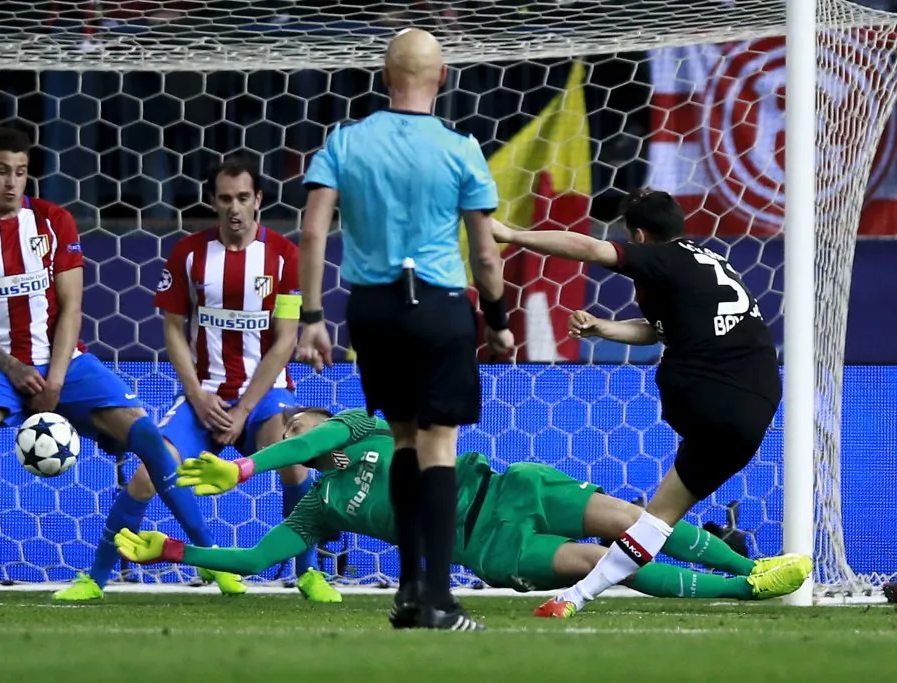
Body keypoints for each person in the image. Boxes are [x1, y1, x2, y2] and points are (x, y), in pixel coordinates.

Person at [0, 127, 212, 598]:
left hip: (66, 363)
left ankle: (213, 559)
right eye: (3, 171)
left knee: (148, 435)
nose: (12, 182)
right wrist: (11, 367)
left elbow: (71, 308)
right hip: (1, 368)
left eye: (22, 173)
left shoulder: (54, 222)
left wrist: (55, 378)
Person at [114, 408, 811, 607]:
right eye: (284, 435)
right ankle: (743, 591)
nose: (293, 437)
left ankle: (753, 568)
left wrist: (241, 463)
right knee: (604, 563)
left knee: (636, 521)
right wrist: (174, 552)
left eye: (296, 427)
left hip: (509, 487)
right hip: (485, 548)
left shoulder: (363, 428)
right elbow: (256, 557)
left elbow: (325, 434)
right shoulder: (319, 510)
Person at [293, 27, 513, 631]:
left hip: (373, 310)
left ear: (386, 77)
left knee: (405, 441)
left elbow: (313, 231)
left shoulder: (345, 140)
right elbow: (486, 252)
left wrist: (312, 318)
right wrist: (497, 323)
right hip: (438, 306)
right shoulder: (461, 147)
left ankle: (409, 588)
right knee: (440, 444)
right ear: (441, 78)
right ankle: (439, 599)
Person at [489, 189, 795, 618]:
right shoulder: (705, 261)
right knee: (656, 519)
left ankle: (579, 593)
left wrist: (510, 234)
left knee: (671, 393)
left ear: (637, 234)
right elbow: (659, 330)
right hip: (755, 405)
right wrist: (603, 328)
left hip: (710, 396)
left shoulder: (661, 257)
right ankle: (572, 598)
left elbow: (588, 247)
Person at [53, 154, 339, 603]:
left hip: (263, 399)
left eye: (243, 198)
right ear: (212, 202)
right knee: (147, 474)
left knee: (293, 460)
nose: (234, 208)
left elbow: (285, 341)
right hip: (203, 398)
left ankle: (308, 572)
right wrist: (198, 395)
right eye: (225, 199)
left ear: (258, 200)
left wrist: (244, 408)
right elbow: (173, 327)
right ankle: (97, 577)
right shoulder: (189, 254)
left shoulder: (284, 256)